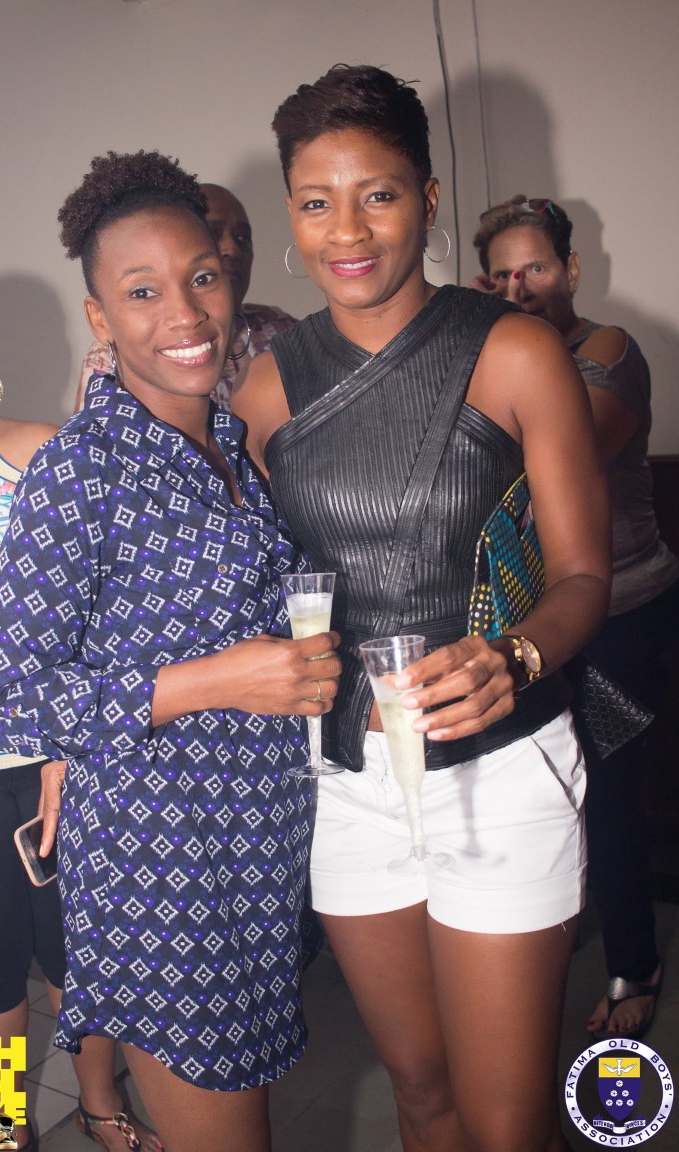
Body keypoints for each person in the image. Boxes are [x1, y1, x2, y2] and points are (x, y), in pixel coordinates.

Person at [232, 65, 611, 1152]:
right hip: (348, 783)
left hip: (501, 769)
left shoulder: (515, 350)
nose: (347, 230)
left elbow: (584, 575)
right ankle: (3, 1121)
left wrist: (514, 657)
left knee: (504, 1121)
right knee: (421, 1089)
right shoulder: (266, 389)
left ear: (430, 199)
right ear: (291, 213)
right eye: (317, 202)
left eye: (380, 194)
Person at [0, 151, 341, 1152]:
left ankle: (94, 1107)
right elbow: (2, 697)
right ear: (99, 318)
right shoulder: (76, 468)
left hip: (252, 850)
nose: (184, 311)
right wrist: (222, 679)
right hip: (146, 860)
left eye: (201, 276)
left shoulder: (232, 444)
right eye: (142, 291)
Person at [0, 274, 161, 1152]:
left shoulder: (46, 452)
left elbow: (106, 603)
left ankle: (99, 1106)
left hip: (57, 753)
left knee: (80, 958)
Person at [471, 195, 679, 1041]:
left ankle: (635, 963)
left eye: (537, 268)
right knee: (543, 791)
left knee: (609, 793)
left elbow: (551, 454)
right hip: (536, 621)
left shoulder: (608, 349)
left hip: (623, 610)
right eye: (502, 276)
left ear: (573, 269)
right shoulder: (501, 356)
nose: (520, 287)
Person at [75, 182, 294, 412]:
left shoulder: (278, 326)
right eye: (142, 293)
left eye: (203, 279)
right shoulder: (107, 365)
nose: (231, 249)